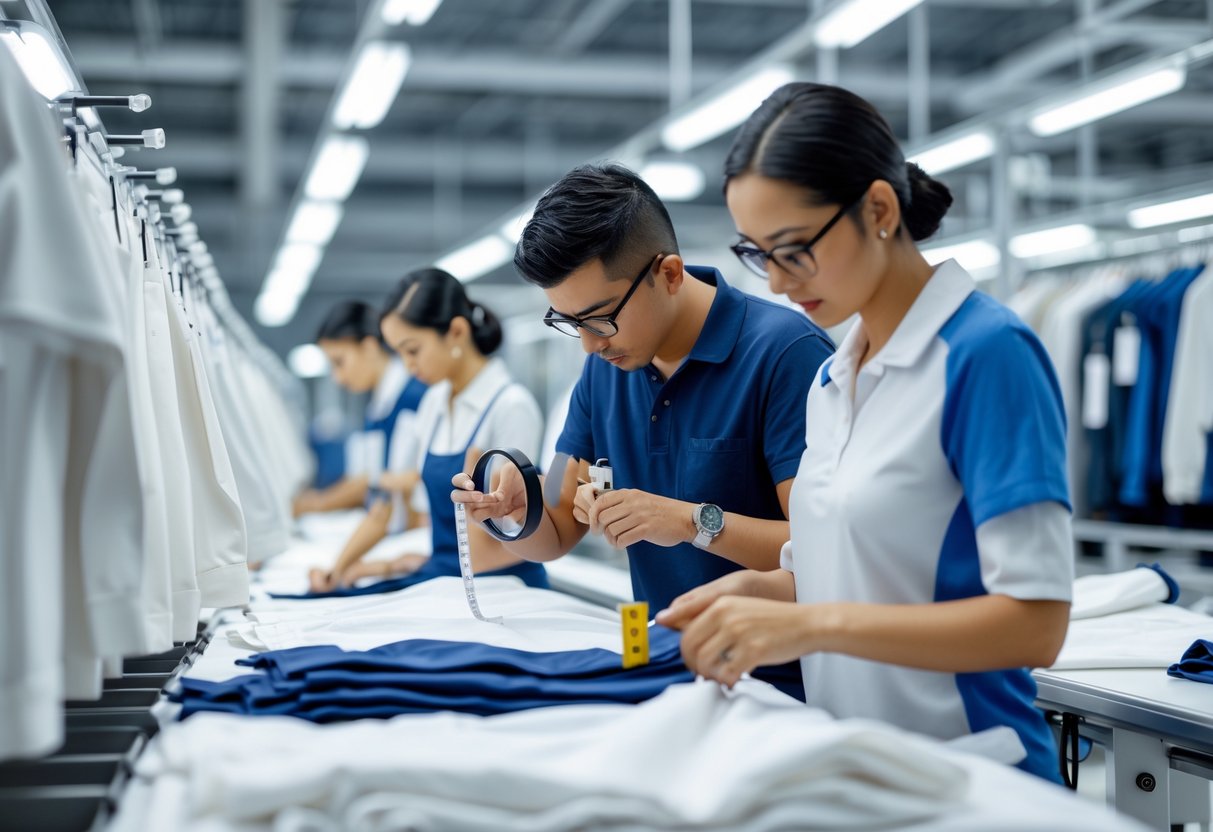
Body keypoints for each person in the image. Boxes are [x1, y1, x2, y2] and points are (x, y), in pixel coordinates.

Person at [655, 83, 1073, 782]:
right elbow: (839, 574)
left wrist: (810, 626)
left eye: (794, 250)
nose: (777, 283)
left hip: (971, 773)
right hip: (863, 767)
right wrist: (754, 595)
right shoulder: (832, 379)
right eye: (759, 254)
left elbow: (1036, 624)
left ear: (878, 210)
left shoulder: (985, 354)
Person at [453, 163, 833, 699]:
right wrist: (520, 508)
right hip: (662, 668)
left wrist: (687, 521)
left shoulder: (786, 355)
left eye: (599, 318)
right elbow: (557, 523)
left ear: (670, 274)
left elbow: (825, 551)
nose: (590, 344)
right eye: (569, 324)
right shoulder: (602, 373)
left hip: (778, 688)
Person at [309, 268, 548, 593]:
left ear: (456, 332)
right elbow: (403, 513)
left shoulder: (511, 406)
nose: (408, 366)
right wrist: (339, 570)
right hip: (448, 577)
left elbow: (514, 531)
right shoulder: (433, 404)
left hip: (501, 585)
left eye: (413, 350)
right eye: (399, 353)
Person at [293, 300, 426, 519]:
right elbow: (367, 477)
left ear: (369, 347)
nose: (338, 378)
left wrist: (317, 504)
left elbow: (388, 480)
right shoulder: (377, 407)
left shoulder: (415, 397)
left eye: (339, 362)